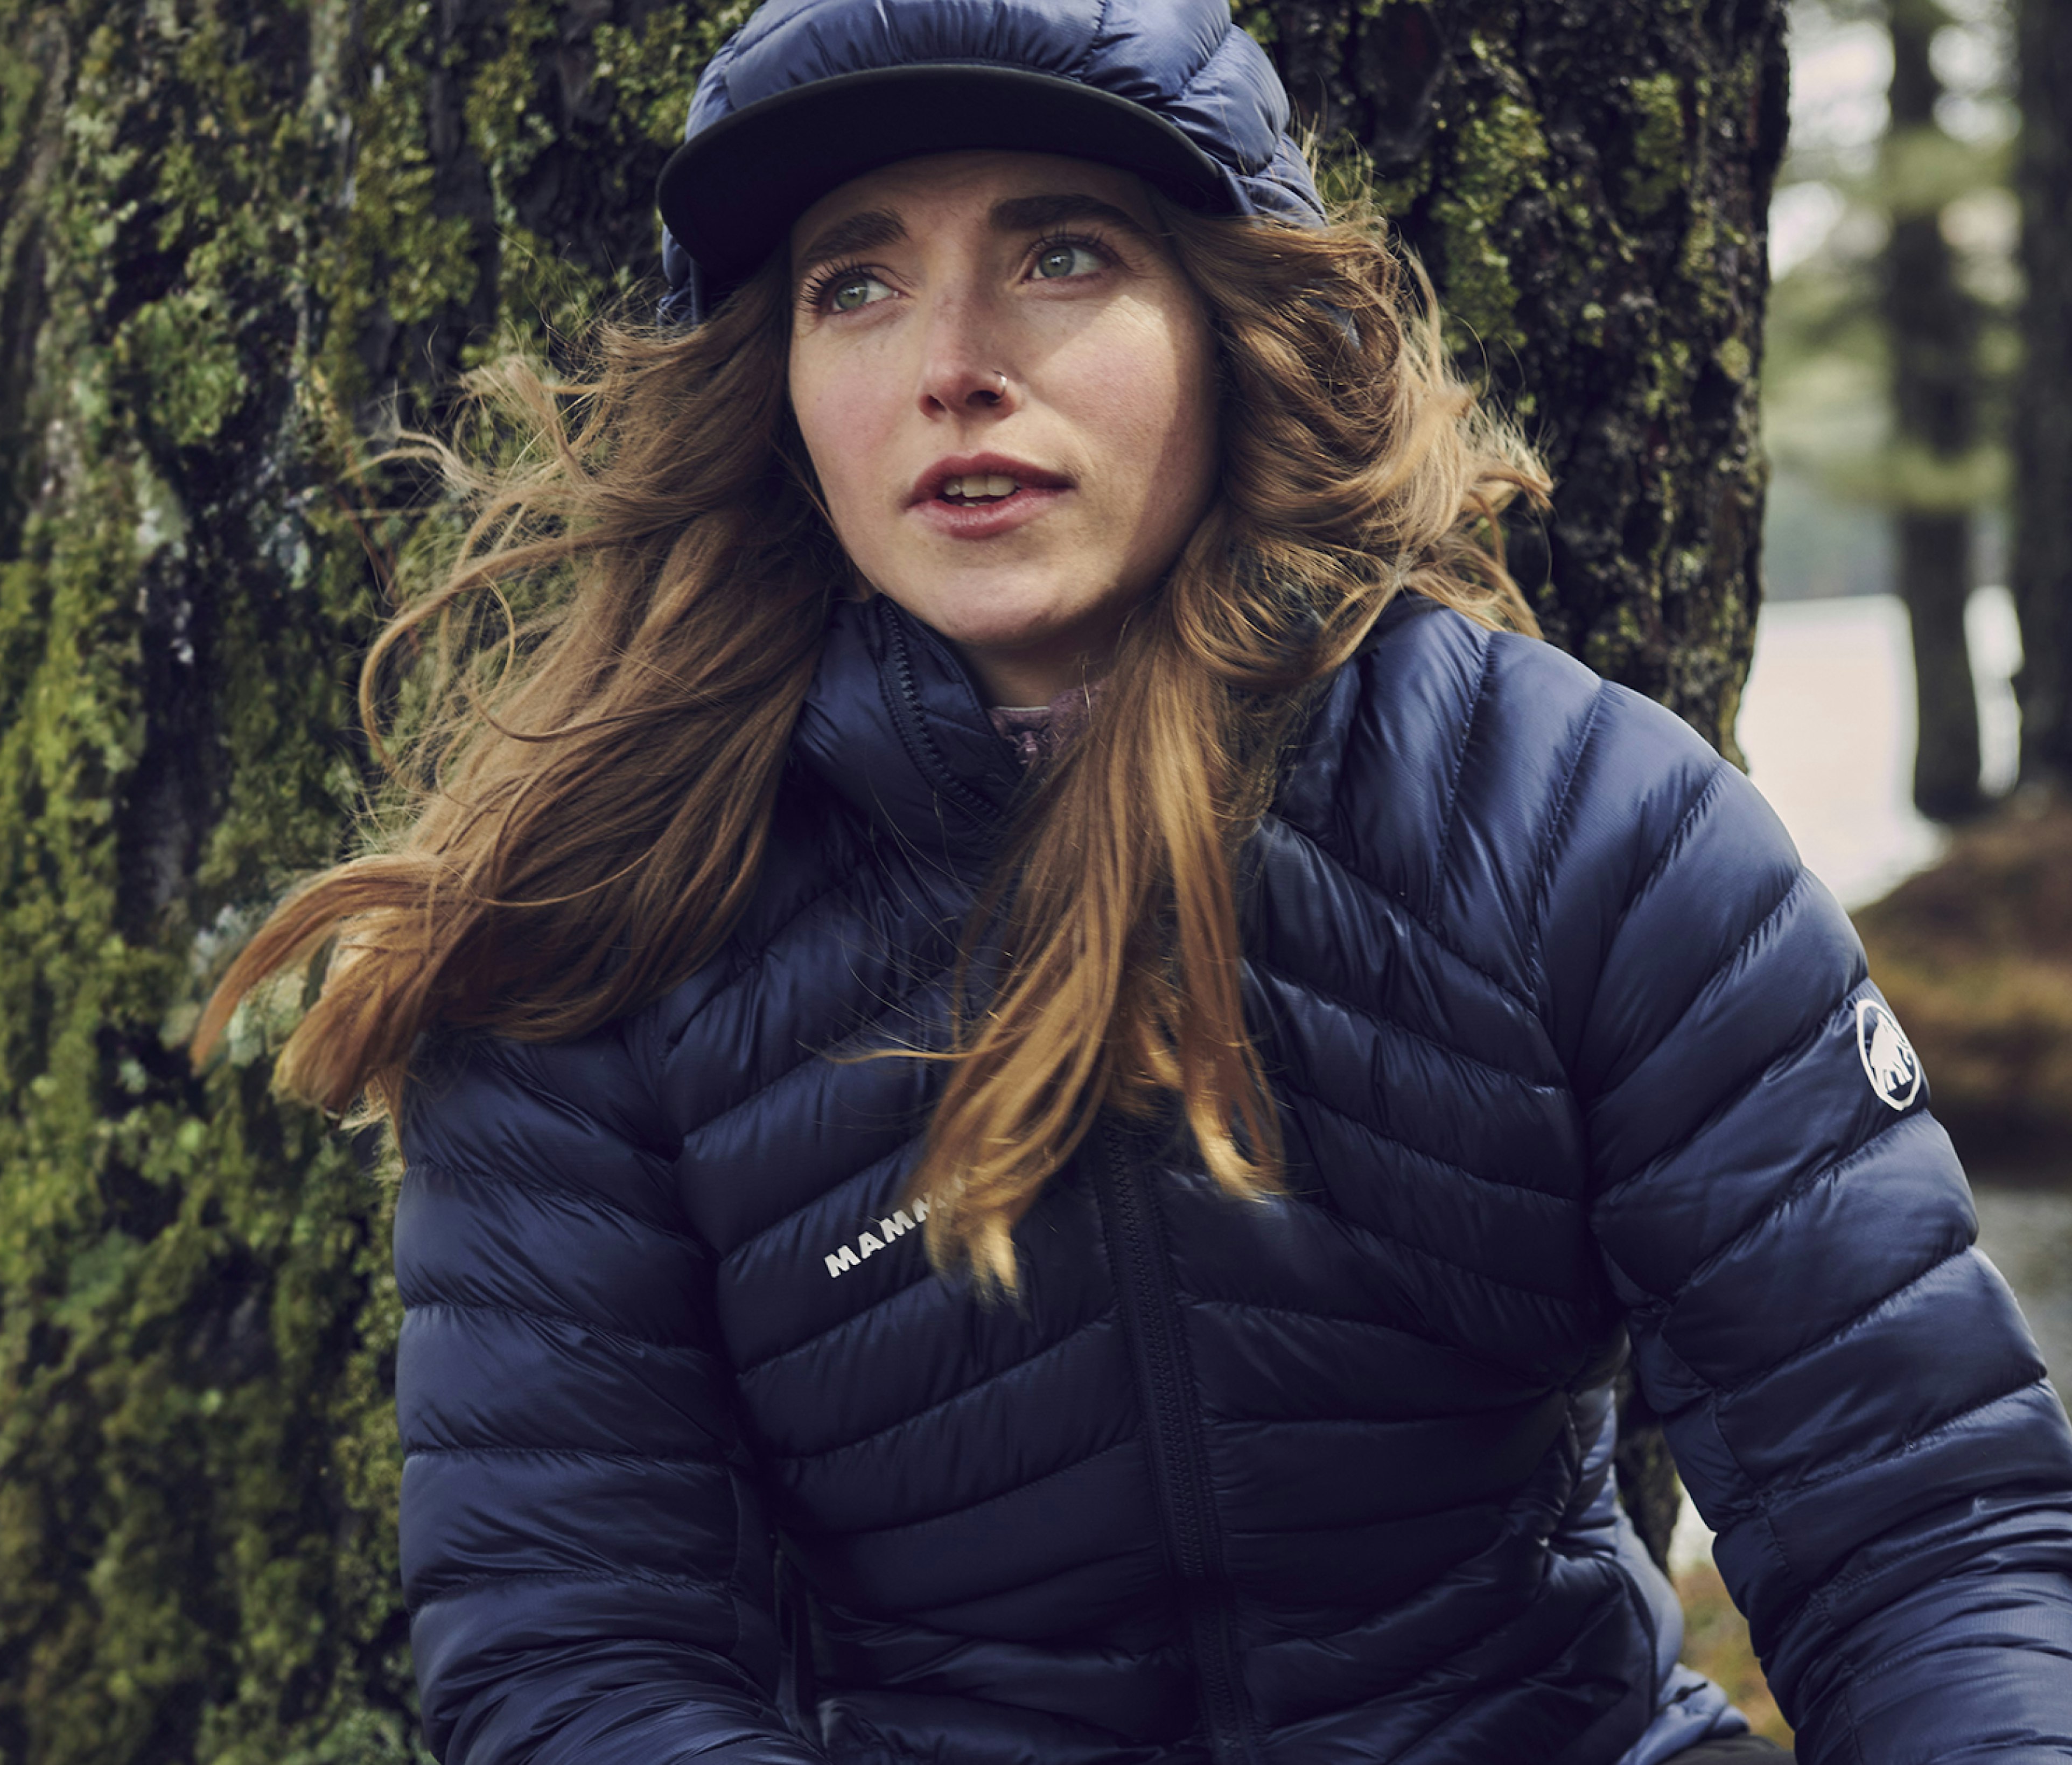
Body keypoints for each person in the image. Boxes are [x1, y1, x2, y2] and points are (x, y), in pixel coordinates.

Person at [199, 1, 2072, 1760]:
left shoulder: (1593, 825)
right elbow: (577, 1656)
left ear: (1235, 324)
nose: (953, 369)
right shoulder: (607, 921)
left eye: (1064, 254)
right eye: (858, 283)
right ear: (779, 391)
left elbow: (1928, 1526)